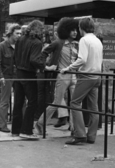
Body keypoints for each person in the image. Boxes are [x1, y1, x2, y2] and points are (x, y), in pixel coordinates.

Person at [61, 17, 103, 145]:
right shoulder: (97, 40)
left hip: (86, 76)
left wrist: (68, 68)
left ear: (81, 28)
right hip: (97, 77)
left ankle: (79, 134)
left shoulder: (84, 40)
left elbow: (82, 59)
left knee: (74, 103)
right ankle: (91, 136)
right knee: (93, 108)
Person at [35, 17, 79, 135]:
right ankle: (40, 123)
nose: (75, 32)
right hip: (62, 76)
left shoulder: (76, 44)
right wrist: (46, 67)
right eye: (72, 30)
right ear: (66, 30)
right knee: (57, 102)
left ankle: (74, 129)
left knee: (75, 102)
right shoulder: (58, 43)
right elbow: (43, 54)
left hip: (74, 76)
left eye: (76, 30)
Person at [11, 20, 44, 140]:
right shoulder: (37, 42)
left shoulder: (20, 39)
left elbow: (14, 57)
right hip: (28, 74)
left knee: (18, 103)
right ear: (38, 30)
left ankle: (15, 130)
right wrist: (43, 66)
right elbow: (34, 59)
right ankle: (26, 130)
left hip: (18, 73)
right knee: (32, 102)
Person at [0, 24, 21, 133]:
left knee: (20, 100)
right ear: (11, 33)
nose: (19, 35)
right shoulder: (1, 46)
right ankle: (2, 125)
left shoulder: (19, 46)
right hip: (6, 76)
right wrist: (1, 76)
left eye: (20, 33)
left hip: (17, 76)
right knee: (5, 101)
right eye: (17, 33)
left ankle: (19, 123)